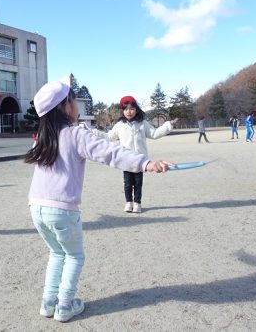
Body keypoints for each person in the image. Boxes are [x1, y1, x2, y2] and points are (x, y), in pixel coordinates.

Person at [25, 77, 172, 323]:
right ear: (65, 107)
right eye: (73, 101)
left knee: (56, 253)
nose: (77, 106)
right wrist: (145, 163)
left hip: (36, 207)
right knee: (74, 256)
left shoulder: (42, 137)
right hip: (61, 210)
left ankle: (48, 303)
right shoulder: (74, 134)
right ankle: (64, 306)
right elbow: (110, 152)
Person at [93, 95, 178, 213]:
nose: (129, 112)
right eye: (126, 109)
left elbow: (155, 134)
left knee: (138, 183)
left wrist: (169, 125)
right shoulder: (119, 125)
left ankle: (137, 203)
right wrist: (94, 132)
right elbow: (109, 136)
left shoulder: (143, 123)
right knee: (127, 183)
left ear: (136, 109)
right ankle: (129, 202)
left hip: (140, 161)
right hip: (125, 160)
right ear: (123, 111)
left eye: (132, 109)